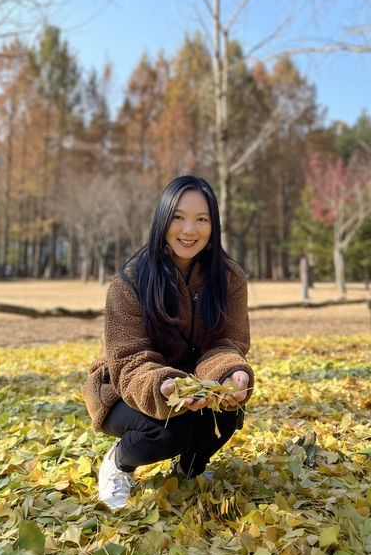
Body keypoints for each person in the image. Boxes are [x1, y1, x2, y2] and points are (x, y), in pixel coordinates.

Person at [82, 175, 253, 510]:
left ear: (213, 225)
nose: (189, 230)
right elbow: (129, 359)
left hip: (191, 383)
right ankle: (119, 464)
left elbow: (226, 342)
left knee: (227, 416)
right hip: (123, 387)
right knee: (167, 431)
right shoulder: (129, 282)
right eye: (179, 217)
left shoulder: (229, 278)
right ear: (162, 219)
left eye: (201, 219)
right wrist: (164, 384)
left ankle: (188, 469)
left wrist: (231, 375)